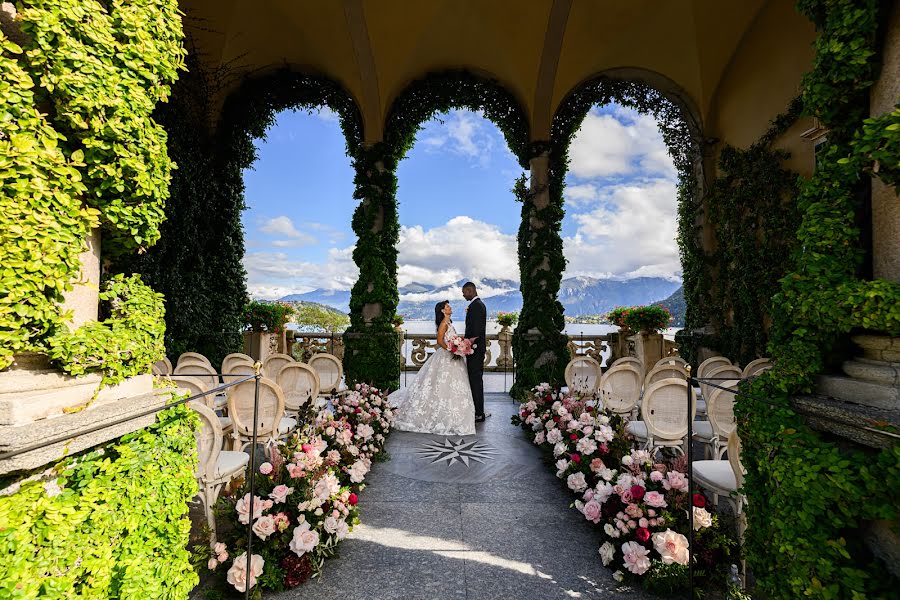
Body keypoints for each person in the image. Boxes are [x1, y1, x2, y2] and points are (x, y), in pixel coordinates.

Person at [388, 301, 475, 435]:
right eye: (447, 306)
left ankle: (457, 414)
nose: (450, 307)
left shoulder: (449, 323)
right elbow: (440, 341)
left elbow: (451, 339)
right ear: (442, 310)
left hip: (453, 358)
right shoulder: (443, 324)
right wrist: (452, 349)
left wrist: (459, 345)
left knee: (452, 386)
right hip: (446, 356)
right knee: (441, 385)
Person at [462, 282, 488, 422]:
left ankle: (479, 412)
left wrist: (467, 344)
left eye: (464, 292)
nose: (463, 294)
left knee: (475, 379)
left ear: (470, 290)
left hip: (475, 350)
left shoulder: (476, 306)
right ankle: (477, 409)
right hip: (475, 349)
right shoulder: (477, 305)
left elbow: (476, 331)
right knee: (475, 379)